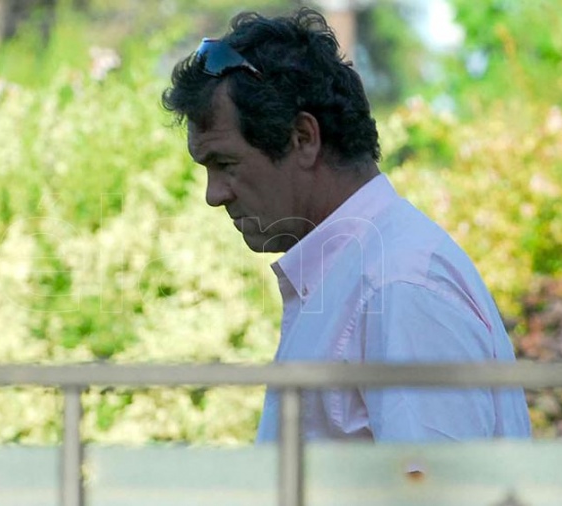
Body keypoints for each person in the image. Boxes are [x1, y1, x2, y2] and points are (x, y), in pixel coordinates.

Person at [161, 8, 531, 442]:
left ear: (303, 138)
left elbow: (440, 481)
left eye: (225, 163)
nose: (214, 194)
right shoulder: (363, 276)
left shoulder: (398, 286)